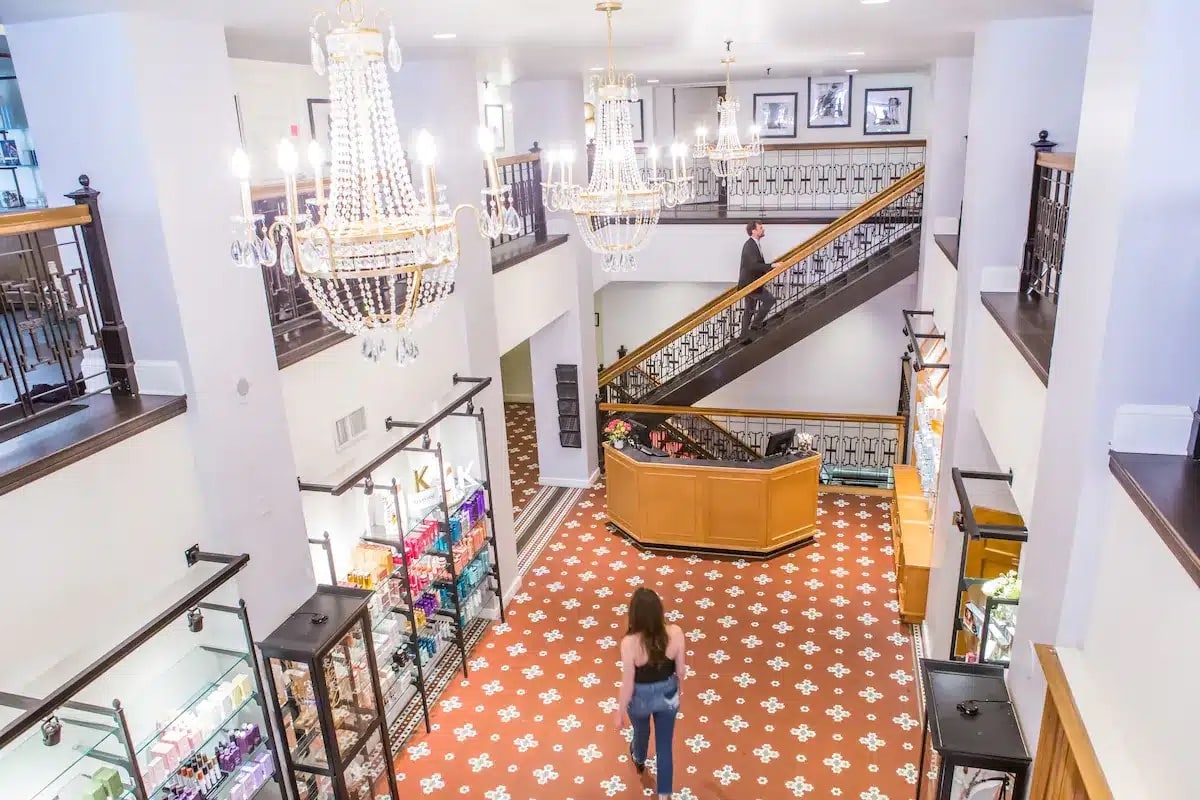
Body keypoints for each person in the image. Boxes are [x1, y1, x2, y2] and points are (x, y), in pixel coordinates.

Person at [614, 587, 686, 800]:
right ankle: (664, 794)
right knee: (665, 746)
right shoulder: (676, 632)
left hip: (640, 698)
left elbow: (628, 682)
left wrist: (618, 712)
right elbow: (681, 670)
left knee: (641, 731)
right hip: (668, 694)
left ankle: (639, 758)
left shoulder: (628, 643)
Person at [738, 220, 780, 344]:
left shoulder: (754, 244)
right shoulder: (750, 245)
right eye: (761, 228)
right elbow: (753, 265)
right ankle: (755, 325)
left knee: (749, 310)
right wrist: (772, 266)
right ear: (754, 230)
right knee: (769, 300)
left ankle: (743, 336)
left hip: (752, 283)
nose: (763, 229)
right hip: (750, 284)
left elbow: (757, 264)